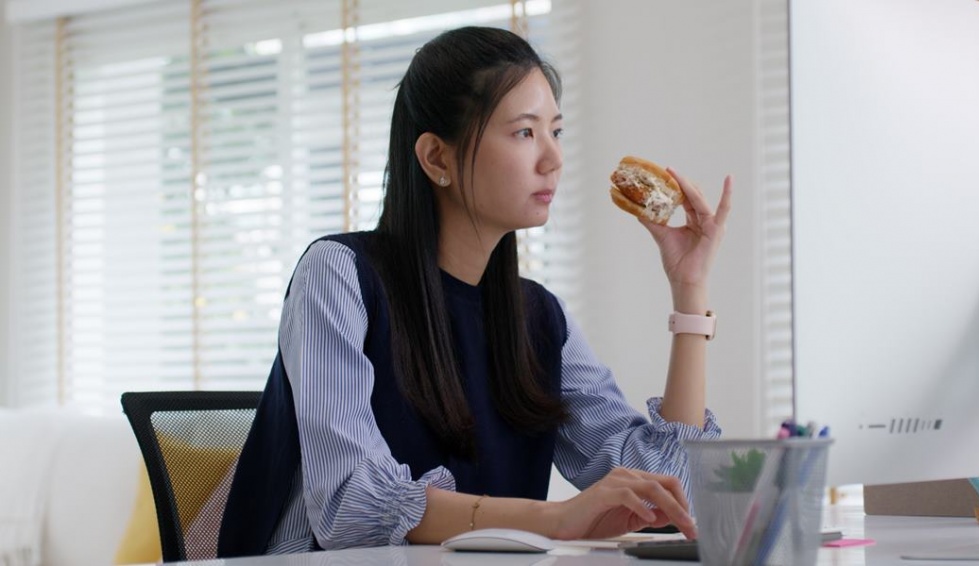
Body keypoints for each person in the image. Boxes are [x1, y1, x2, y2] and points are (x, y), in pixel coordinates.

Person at [217, 25, 732, 557]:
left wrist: (689, 292)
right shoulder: (340, 275)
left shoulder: (537, 317)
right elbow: (351, 502)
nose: (553, 158)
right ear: (437, 158)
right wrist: (555, 520)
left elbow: (671, 489)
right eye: (524, 133)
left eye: (556, 131)